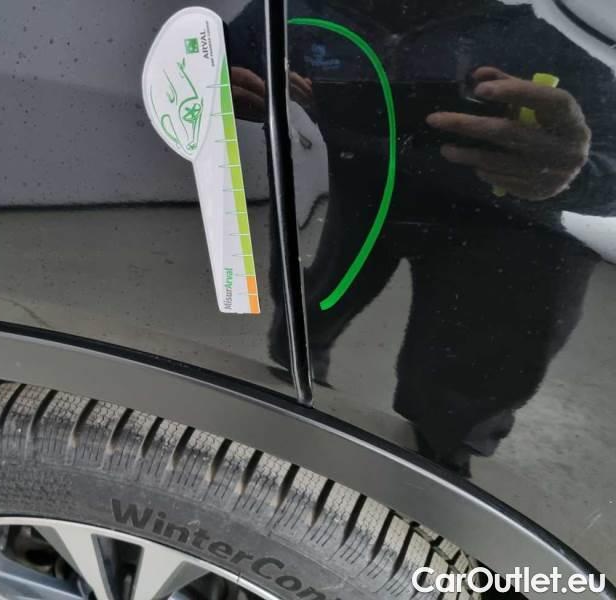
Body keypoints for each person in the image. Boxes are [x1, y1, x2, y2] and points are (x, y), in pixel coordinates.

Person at [229, 0, 616, 474]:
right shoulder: (296, 9)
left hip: (488, 221)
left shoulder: (546, 41)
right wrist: (224, 90)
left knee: (465, 386)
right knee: (311, 307)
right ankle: (296, 381)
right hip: (350, 189)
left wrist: (570, 170)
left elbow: (610, 160)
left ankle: (445, 458)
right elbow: (216, 60)